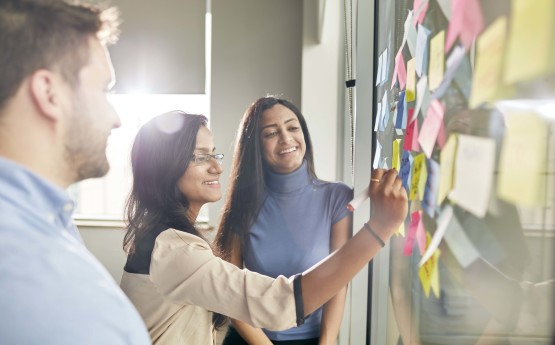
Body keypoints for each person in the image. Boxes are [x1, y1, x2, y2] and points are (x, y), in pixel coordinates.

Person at [120, 110, 408, 345]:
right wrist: (380, 228)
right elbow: (279, 302)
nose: (216, 167)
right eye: (200, 157)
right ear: (165, 167)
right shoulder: (174, 249)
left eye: (214, 154)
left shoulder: (164, 238)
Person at [0, 1, 150, 344]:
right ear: (49, 93)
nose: (116, 118)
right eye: (103, 89)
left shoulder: (51, 220)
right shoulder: (35, 278)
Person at [215, 96, 353, 345]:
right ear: (255, 145)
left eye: (292, 127)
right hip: (252, 339)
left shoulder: (337, 197)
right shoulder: (242, 205)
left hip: (314, 339)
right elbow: (230, 294)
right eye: (271, 133)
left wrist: (328, 341)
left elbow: (339, 281)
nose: (286, 138)